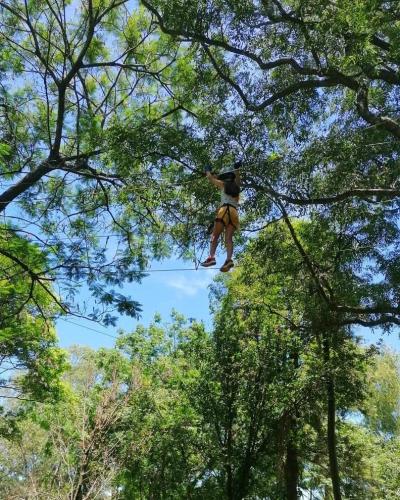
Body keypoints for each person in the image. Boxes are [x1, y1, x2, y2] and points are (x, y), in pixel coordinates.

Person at [201, 162, 241, 272]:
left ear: (224, 177)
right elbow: (237, 177)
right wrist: (237, 169)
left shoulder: (223, 184)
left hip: (224, 211)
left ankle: (211, 257)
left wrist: (207, 169)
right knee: (228, 238)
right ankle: (229, 260)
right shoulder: (236, 186)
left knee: (214, 235)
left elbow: (210, 178)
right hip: (234, 212)